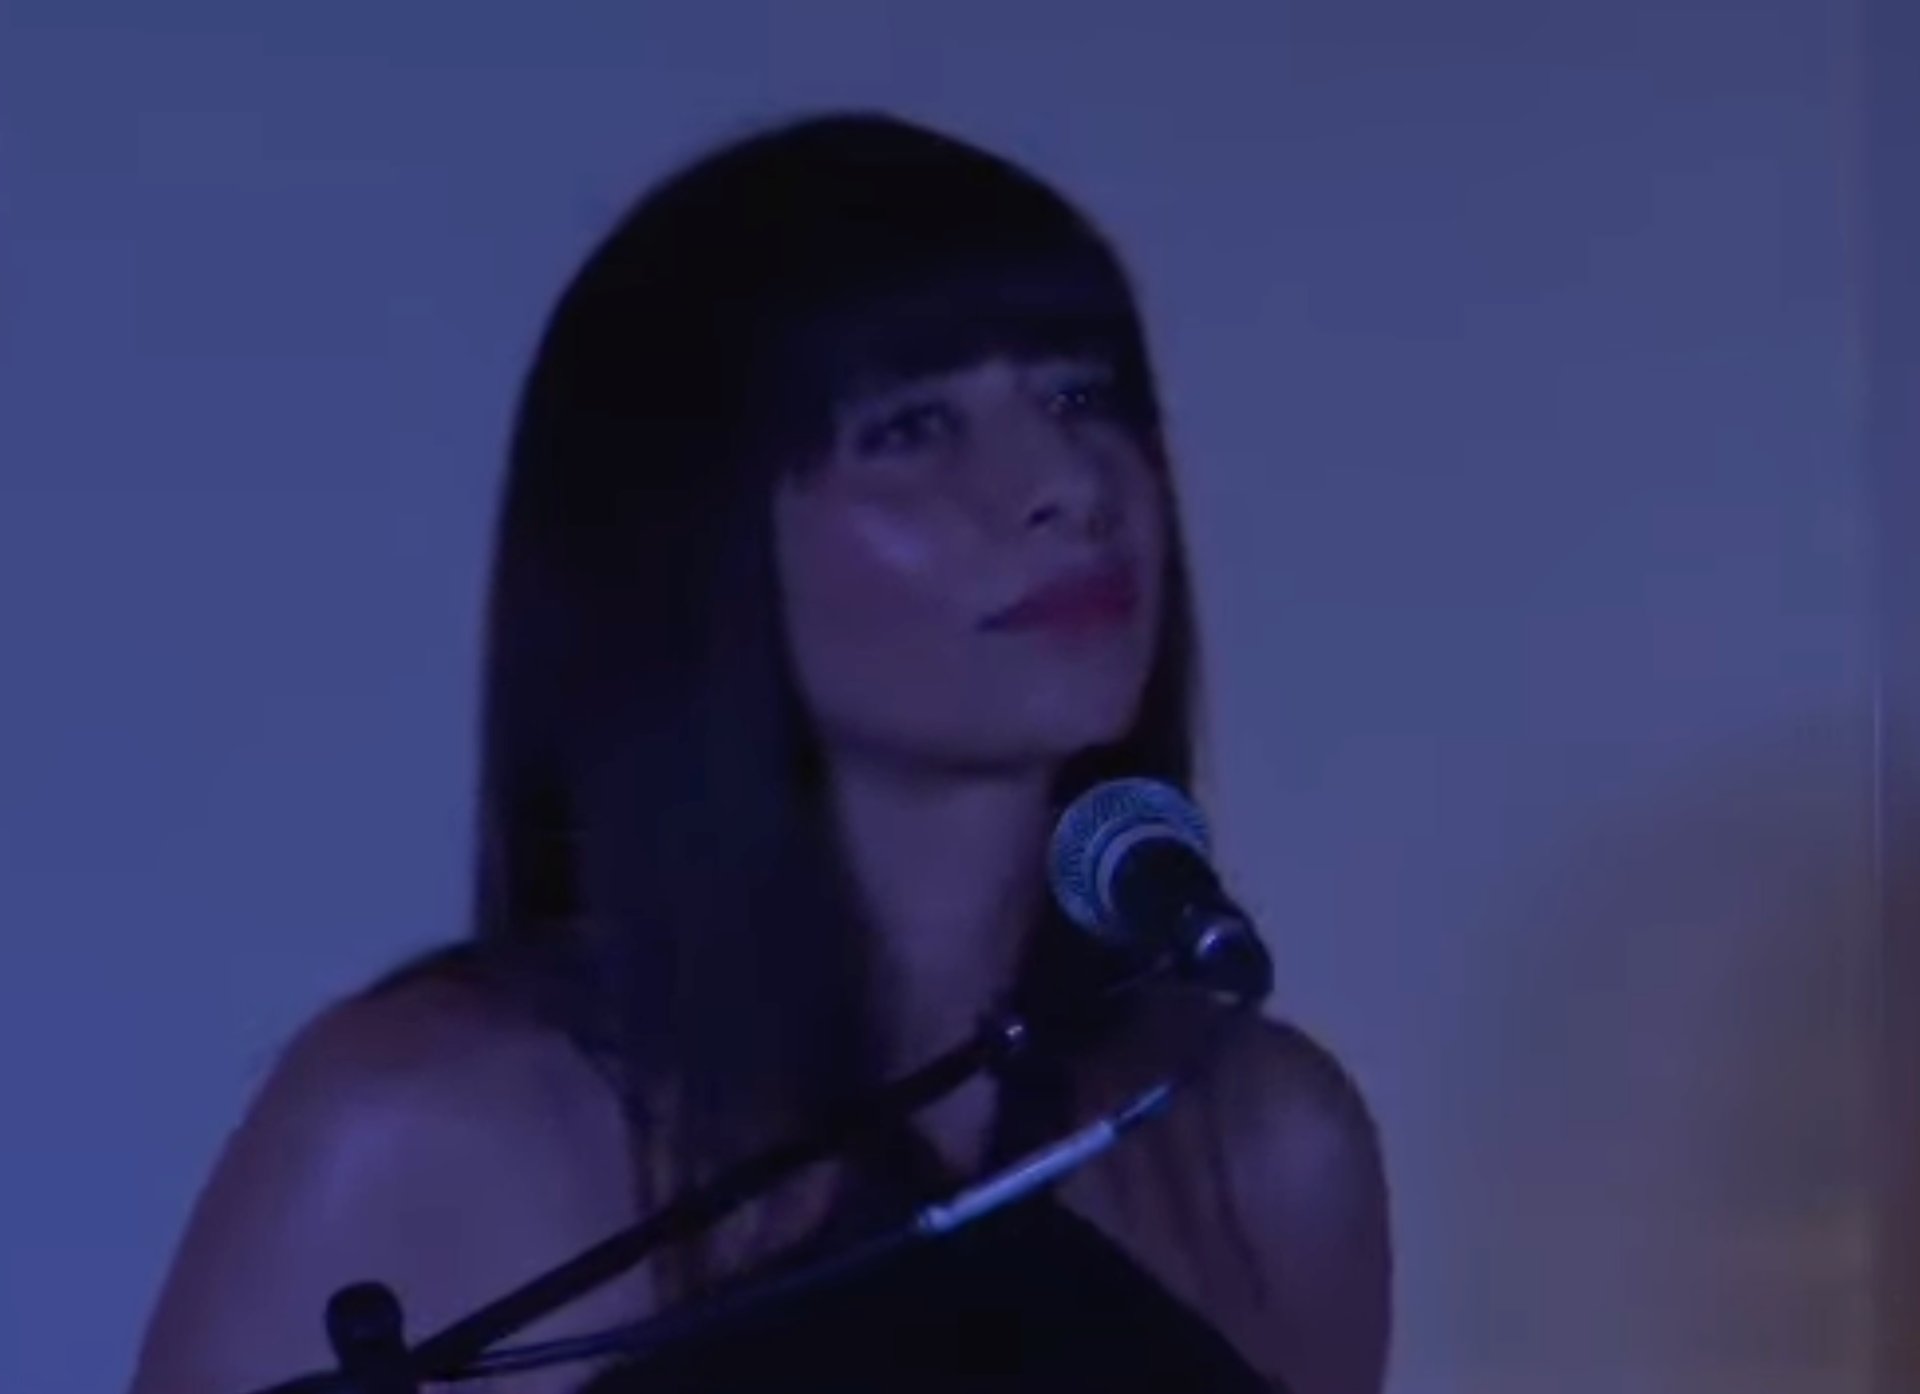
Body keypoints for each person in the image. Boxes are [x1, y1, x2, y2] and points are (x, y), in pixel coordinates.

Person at [130, 112, 1392, 1394]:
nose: (1066, 480)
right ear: (693, 539)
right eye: (911, 427)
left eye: (1081, 395)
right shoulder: (422, 1128)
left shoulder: (1262, 1143)